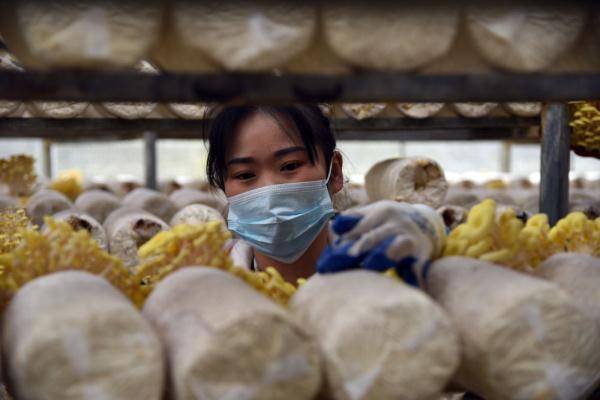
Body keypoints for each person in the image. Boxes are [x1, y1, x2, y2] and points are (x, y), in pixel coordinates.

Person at [205, 104, 445, 284]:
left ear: (336, 171)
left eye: (290, 166)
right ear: (224, 185)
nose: (269, 189)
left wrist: (432, 229)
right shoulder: (212, 277)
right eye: (245, 174)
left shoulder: (379, 256)